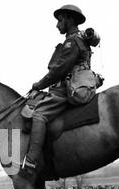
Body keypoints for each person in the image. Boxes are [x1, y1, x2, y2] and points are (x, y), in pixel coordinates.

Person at [22, 5, 100, 174]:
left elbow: (59, 71)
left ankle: (31, 160)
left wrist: (39, 85)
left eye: (60, 20)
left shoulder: (72, 41)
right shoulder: (81, 38)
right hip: (85, 82)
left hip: (69, 88)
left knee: (39, 114)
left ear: (70, 20)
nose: (57, 25)